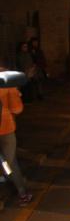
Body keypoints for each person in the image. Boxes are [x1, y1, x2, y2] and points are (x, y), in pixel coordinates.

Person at [0, 67, 32, 209]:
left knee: (4, 162)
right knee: (10, 162)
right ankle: (22, 192)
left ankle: (6, 180)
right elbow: (17, 108)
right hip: (5, 128)